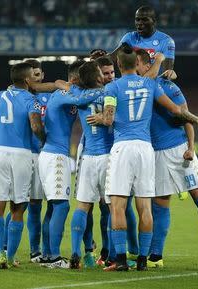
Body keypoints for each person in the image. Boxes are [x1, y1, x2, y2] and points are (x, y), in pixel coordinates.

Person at [88, 47, 198, 271]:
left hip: (123, 147)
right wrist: (196, 119)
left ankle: (121, 261)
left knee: (117, 205)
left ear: (117, 64)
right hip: (146, 149)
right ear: (136, 63)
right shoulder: (150, 84)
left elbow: (108, 120)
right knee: (145, 206)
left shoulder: (113, 87)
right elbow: (176, 109)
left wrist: (99, 116)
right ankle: (144, 260)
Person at [135, 49, 198, 268]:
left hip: (178, 149)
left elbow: (184, 114)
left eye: (136, 64)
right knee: (161, 203)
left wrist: (190, 146)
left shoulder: (168, 86)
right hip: (155, 154)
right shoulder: (137, 90)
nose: (132, 68)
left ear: (147, 66)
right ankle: (156, 256)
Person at [0, 62, 45, 269]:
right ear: (26, 80)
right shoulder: (31, 100)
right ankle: (12, 256)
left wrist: (0, 126)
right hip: (21, 155)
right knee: (17, 209)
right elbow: (35, 126)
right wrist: (43, 139)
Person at [38, 60, 101, 269]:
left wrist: (58, 83)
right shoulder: (67, 94)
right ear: (76, 80)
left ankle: (47, 255)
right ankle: (54, 258)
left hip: (51, 154)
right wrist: (107, 88)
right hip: (56, 156)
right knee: (62, 206)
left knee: (52, 208)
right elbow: (84, 98)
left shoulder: (65, 93)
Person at [2, 59, 51, 263]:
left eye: (39, 75)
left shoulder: (48, 98)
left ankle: (34, 250)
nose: (36, 79)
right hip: (22, 154)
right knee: (18, 203)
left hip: (41, 155)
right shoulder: (16, 98)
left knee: (36, 204)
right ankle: (6, 246)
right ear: (27, 78)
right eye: (33, 76)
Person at [69, 61, 113, 269]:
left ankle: (76, 251)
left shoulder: (78, 95)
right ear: (98, 77)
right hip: (108, 156)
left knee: (82, 207)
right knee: (114, 207)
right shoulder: (110, 93)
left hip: (87, 157)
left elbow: (65, 86)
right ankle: (113, 254)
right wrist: (105, 117)